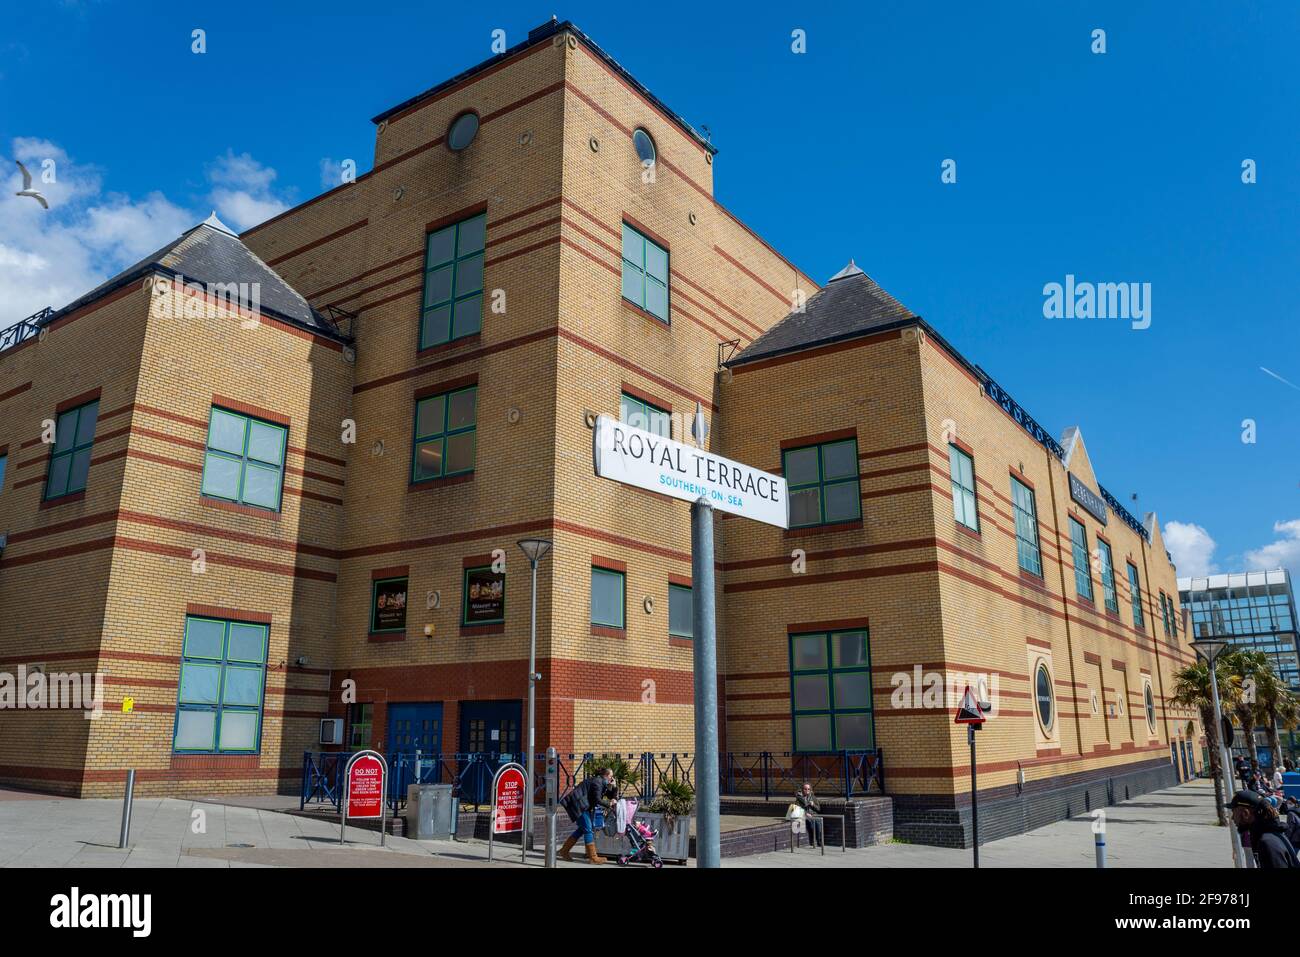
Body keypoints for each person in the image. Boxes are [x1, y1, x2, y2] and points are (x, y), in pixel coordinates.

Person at [1227, 789, 1300, 868]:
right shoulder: (1263, 835)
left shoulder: (1267, 842)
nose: (1232, 818)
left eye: (1234, 812)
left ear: (1245, 814)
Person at [559, 767, 616, 865]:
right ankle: (593, 857)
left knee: (582, 829)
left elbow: (610, 796)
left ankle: (564, 851)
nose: (612, 778)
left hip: (583, 806)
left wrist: (614, 787)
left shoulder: (601, 782)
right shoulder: (598, 782)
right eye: (611, 776)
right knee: (588, 829)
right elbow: (598, 799)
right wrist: (609, 804)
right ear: (606, 776)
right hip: (579, 805)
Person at [794, 782, 823, 848]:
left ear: (810, 790)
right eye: (805, 789)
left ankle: (819, 841)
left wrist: (813, 805)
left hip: (813, 814)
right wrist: (805, 814)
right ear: (802, 789)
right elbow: (797, 809)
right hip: (804, 815)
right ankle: (813, 841)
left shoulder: (813, 797)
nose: (807, 790)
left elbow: (818, 809)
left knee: (818, 822)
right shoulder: (799, 798)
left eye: (808, 789)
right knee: (812, 822)